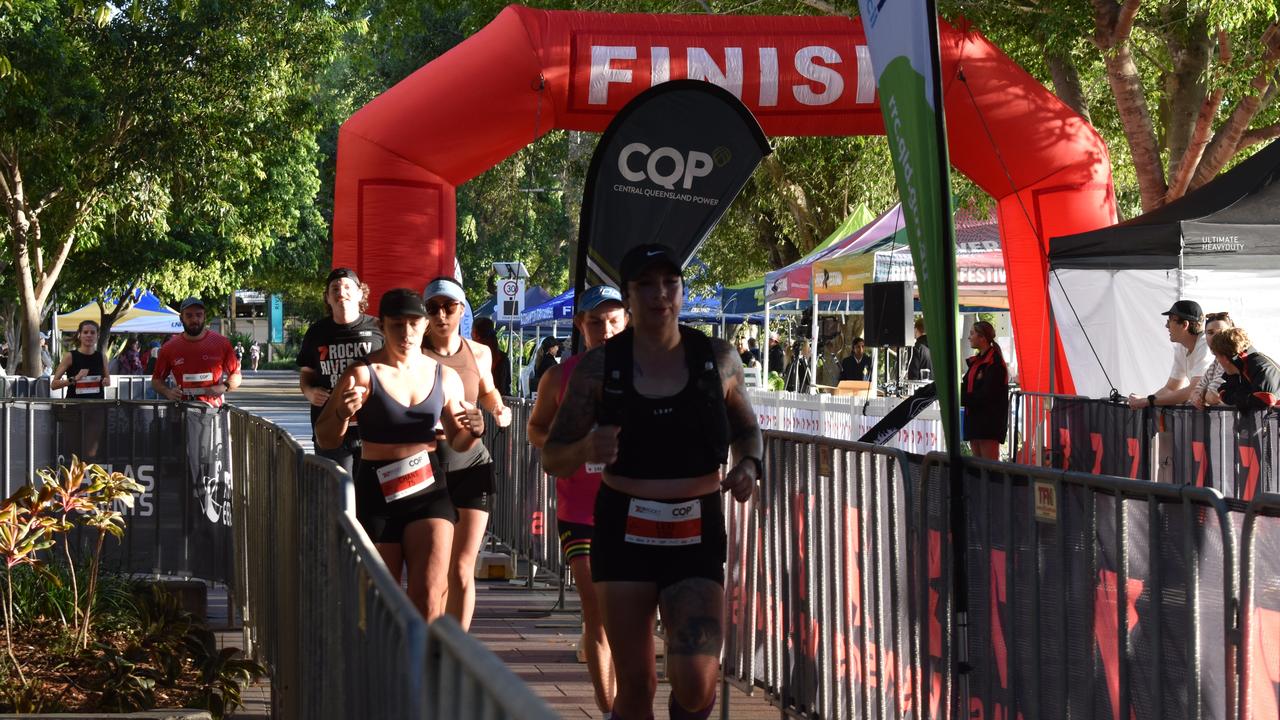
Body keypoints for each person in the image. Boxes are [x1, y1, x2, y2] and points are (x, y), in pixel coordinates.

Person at [542, 244, 762, 720]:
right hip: (624, 532)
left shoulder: (717, 358)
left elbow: (747, 429)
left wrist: (749, 467)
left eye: (670, 283)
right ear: (629, 296)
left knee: (696, 681)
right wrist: (586, 449)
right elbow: (553, 456)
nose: (660, 294)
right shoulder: (600, 368)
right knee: (637, 686)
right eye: (646, 284)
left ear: (682, 292)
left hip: (696, 532)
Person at [315, 288, 484, 620]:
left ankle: (423, 668)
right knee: (380, 601)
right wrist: (342, 414)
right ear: (382, 326)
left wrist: (474, 431)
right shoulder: (362, 373)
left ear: (425, 326)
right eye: (397, 325)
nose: (406, 333)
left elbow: (459, 441)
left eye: (413, 324)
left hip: (429, 491)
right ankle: (383, 668)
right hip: (378, 493)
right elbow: (326, 438)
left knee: (430, 594)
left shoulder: (445, 377)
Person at [527, 285, 627, 716]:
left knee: (633, 621)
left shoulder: (650, 374)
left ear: (627, 322)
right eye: (595, 322)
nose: (605, 331)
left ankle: (629, 704)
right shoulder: (559, 376)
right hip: (581, 511)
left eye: (613, 321)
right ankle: (610, 711)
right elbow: (535, 428)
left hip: (635, 509)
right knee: (599, 613)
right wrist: (571, 447)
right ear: (580, 325)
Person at [420, 276, 512, 631]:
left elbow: (487, 391)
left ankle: (458, 648)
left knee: (461, 566)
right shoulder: (414, 353)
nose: (442, 315)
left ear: (462, 310)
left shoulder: (479, 352)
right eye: (433, 308)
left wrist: (499, 410)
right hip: (429, 466)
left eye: (449, 307)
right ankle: (433, 642)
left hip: (472, 463)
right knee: (436, 567)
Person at [296, 268, 384, 477]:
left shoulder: (379, 328)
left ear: (360, 293)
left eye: (347, 287)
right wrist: (309, 391)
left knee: (370, 496)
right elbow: (306, 374)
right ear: (327, 297)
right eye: (334, 288)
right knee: (336, 496)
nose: (341, 292)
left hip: (372, 427)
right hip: (331, 427)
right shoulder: (317, 332)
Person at [151, 297, 242, 407]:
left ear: (205, 317)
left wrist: (224, 386)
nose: (194, 320)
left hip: (213, 411)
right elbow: (156, 381)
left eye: (199, 315)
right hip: (181, 411)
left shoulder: (221, 343)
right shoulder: (169, 347)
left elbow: (236, 375)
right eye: (189, 315)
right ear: (181, 318)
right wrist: (168, 392)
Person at [1127, 300, 1211, 408]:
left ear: (1185, 324)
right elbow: (1170, 388)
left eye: (1170, 320)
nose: (1167, 325)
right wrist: (1145, 402)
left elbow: (1194, 389)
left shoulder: (1205, 344)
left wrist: (1147, 401)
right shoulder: (1182, 347)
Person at [962, 321, 1008, 461]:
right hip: (975, 419)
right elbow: (967, 384)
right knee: (978, 465)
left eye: (972, 334)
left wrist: (962, 398)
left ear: (982, 338)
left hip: (989, 422)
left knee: (989, 466)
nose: (969, 337)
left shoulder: (994, 362)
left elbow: (988, 394)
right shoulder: (978, 361)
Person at [1210, 327, 1280, 411]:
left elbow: (1266, 399)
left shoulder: (1260, 367)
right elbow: (1223, 394)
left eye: (1217, 356)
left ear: (1225, 358)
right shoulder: (1240, 367)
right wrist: (1246, 397)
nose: (1218, 361)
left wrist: (1240, 397)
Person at [51, 320, 110, 399]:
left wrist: (106, 382)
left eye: (92, 332)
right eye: (85, 332)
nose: (89, 335)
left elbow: (108, 381)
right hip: (75, 406)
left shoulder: (102, 357)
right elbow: (54, 385)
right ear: (79, 335)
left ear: (97, 336)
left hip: (96, 406)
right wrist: (74, 379)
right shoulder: (70, 356)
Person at [1192, 311, 1234, 409]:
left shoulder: (1233, 358)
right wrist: (1198, 393)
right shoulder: (1217, 361)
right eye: (1210, 332)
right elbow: (1195, 391)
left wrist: (1201, 394)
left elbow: (1214, 396)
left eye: (1221, 332)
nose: (1215, 337)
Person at [470, 317, 511, 397]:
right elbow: (506, 384)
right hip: (499, 403)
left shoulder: (472, 355)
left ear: (475, 334)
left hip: (480, 402)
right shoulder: (503, 357)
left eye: (472, 330)